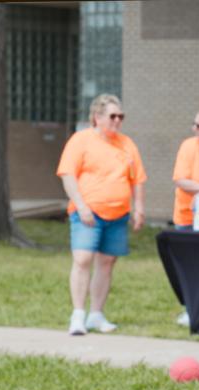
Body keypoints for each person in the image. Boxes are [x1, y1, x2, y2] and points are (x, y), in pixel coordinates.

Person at [57, 93, 147, 336]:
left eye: (121, 116)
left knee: (106, 263)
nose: (117, 121)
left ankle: (96, 314)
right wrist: (82, 206)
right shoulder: (81, 140)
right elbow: (68, 175)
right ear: (97, 117)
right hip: (87, 213)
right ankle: (78, 315)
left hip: (117, 214)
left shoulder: (127, 144)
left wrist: (138, 208)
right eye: (112, 116)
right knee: (83, 259)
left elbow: (137, 179)